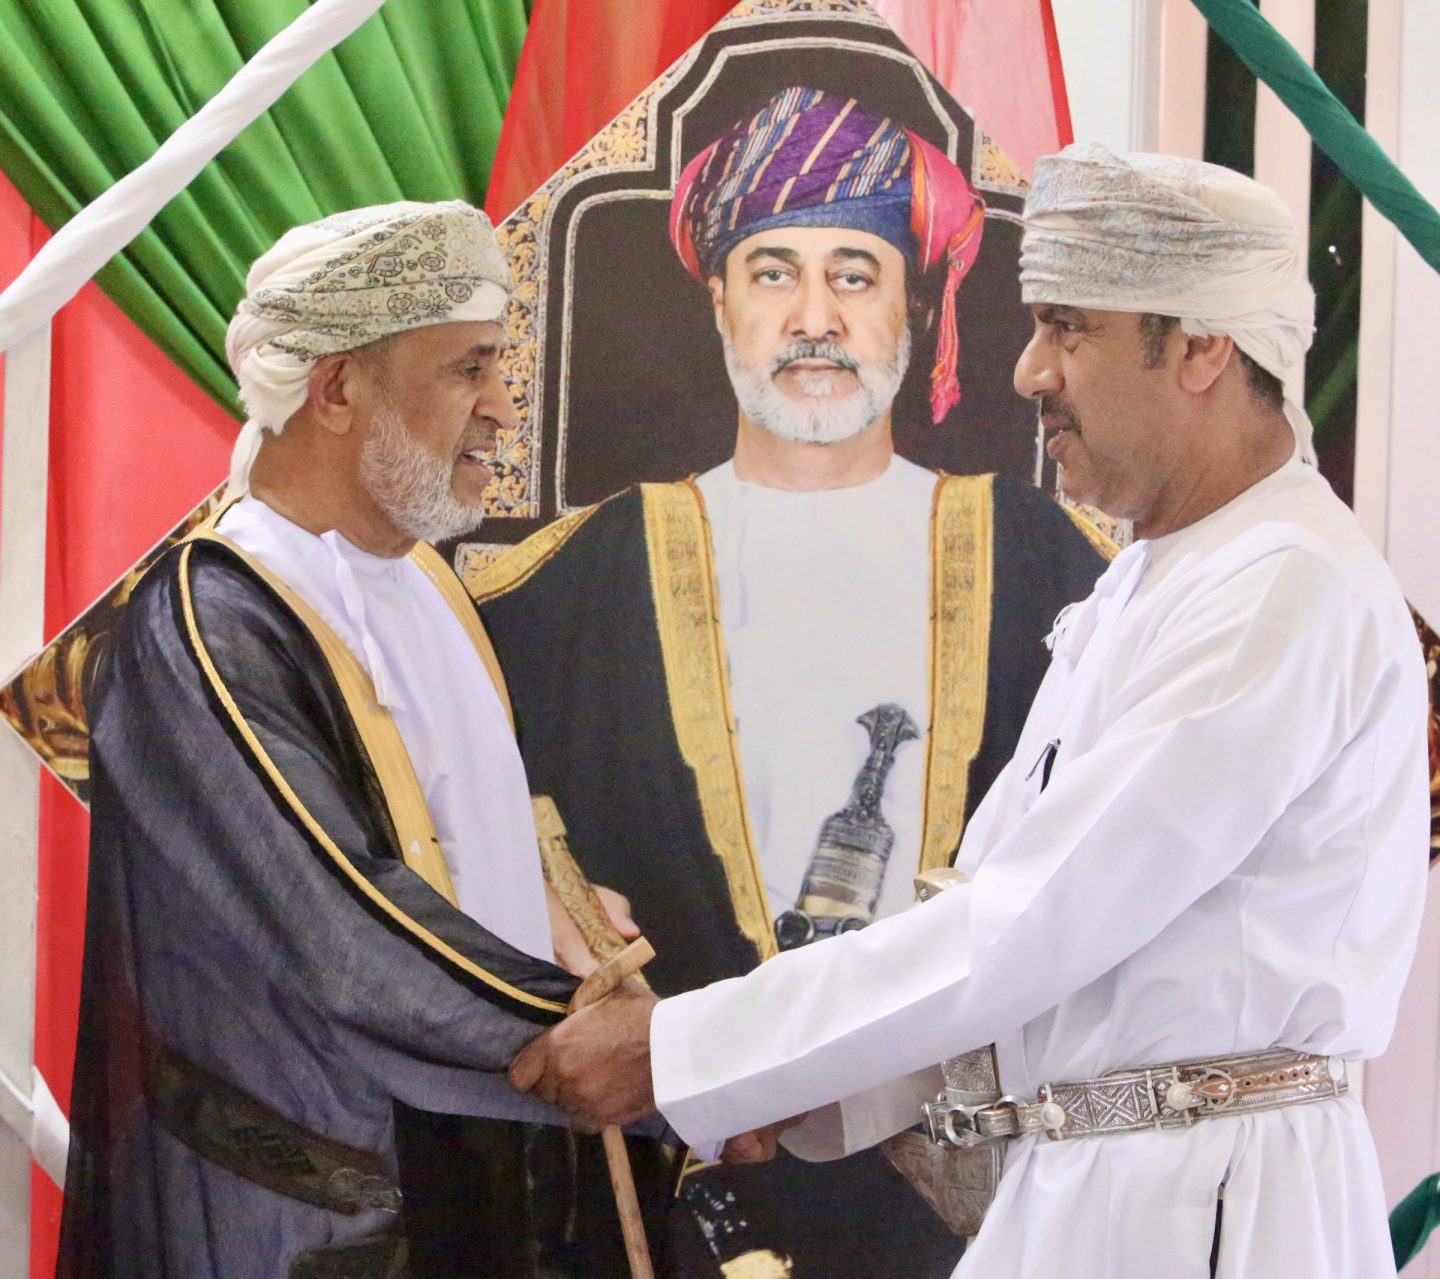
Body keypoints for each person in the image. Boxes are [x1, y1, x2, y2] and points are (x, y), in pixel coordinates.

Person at [507, 144, 1431, 1279]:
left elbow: (1033, 924)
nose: (1030, 372)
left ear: (1201, 346)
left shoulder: (1279, 588)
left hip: (1204, 1210)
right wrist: (796, 1087)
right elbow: (1019, 922)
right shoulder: (1159, 577)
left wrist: (689, 1051)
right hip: (1093, 1190)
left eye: (1069, 328)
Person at [475, 87, 1109, 1276]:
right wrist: (532, 887)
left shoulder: (1053, 564)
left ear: (917, 305)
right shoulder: (573, 579)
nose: (814, 318)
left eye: (854, 275)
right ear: (718, 298)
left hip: (981, 1193)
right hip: (676, 1193)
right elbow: (415, 791)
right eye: (774, 273)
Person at [56, 201, 635, 1279]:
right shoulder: (208, 622)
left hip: (462, 1190)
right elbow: (345, 937)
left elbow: (469, 848)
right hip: (301, 1232)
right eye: (468, 368)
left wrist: (576, 932)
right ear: (335, 391)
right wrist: (659, 1064)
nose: (504, 408)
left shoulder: (428, 585)